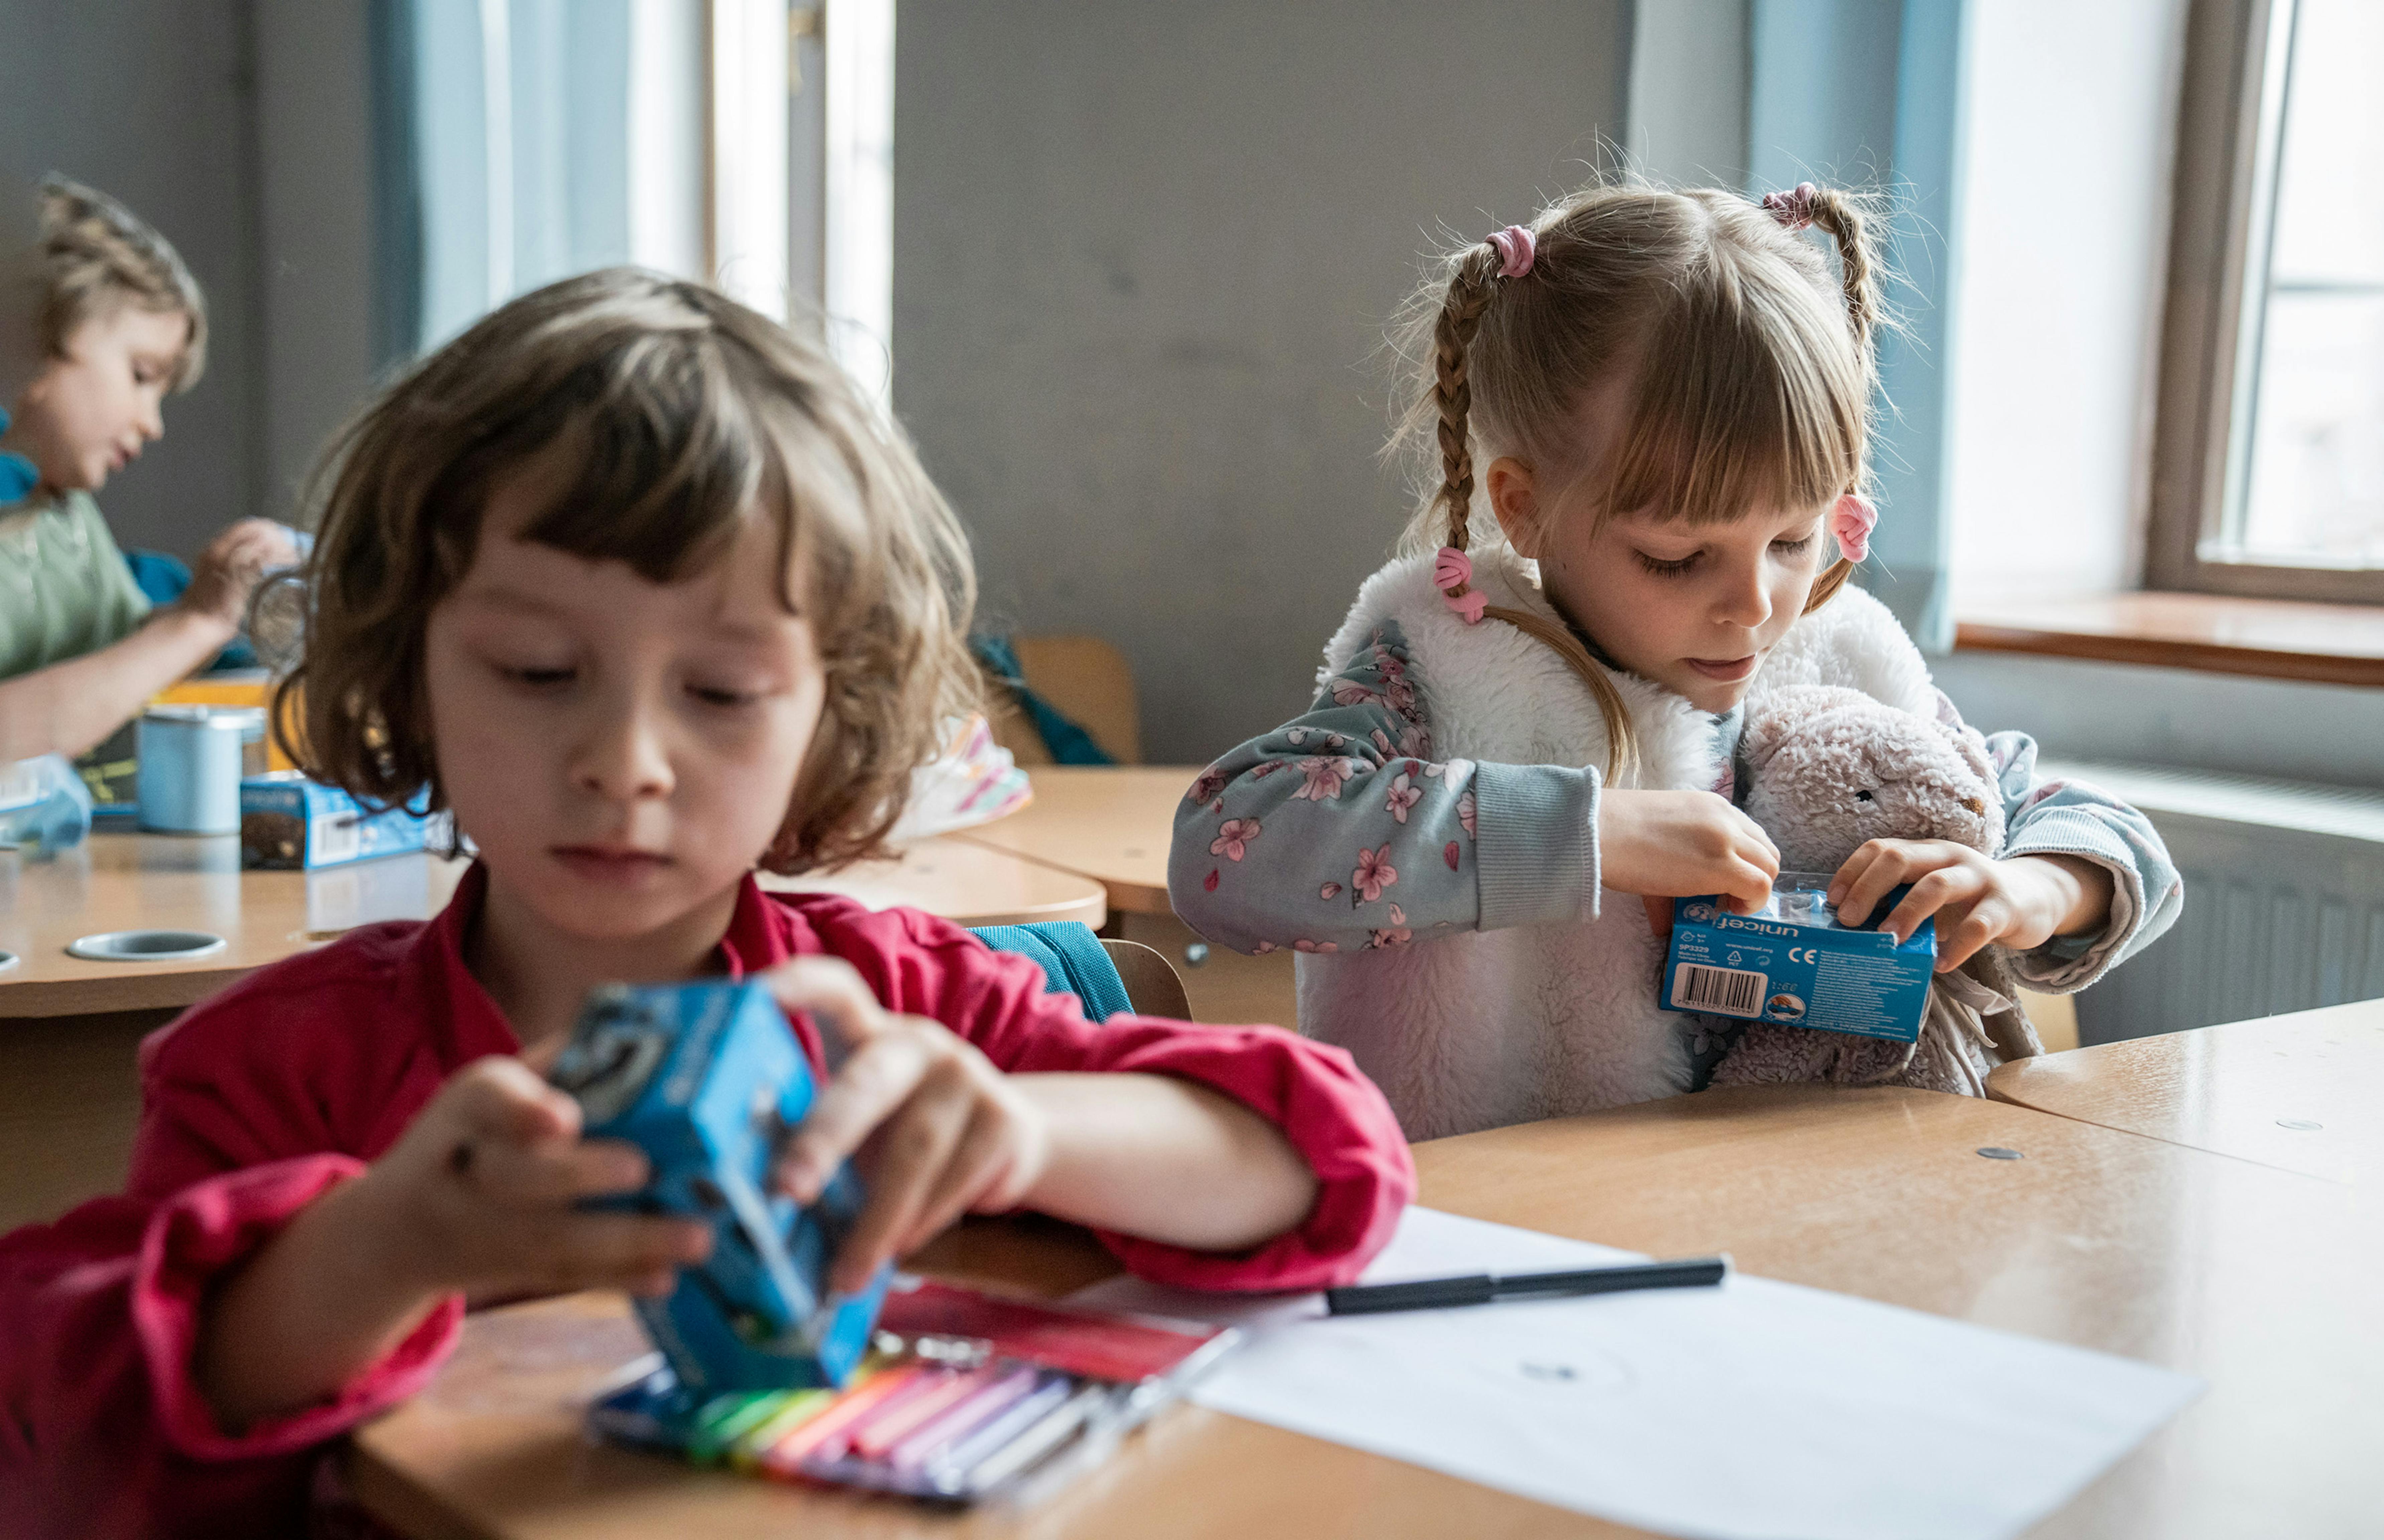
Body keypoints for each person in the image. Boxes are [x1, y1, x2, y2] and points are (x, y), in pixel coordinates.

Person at [0, 268, 1413, 1537]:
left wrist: (1017, 1130)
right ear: (407, 667)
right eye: (539, 671)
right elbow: (75, 1449)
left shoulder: (896, 1006)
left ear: (828, 713)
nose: (622, 764)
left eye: (723, 695)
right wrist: (381, 1247)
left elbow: (1330, 1165)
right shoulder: (271, 1068)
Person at [1171, 181, 2183, 1140]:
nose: (1754, 605)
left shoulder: (1839, 656)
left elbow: (2111, 838)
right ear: (1525, 507)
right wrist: (1583, 833)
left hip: (1803, 1226)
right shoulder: (1443, 665)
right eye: (1677, 556)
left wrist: (2033, 889)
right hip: (1515, 1232)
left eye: (1794, 541)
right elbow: (1227, 849)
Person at [0, 176, 295, 763]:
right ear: (36, 337)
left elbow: (115, 649)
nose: (152, 423)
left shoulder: (65, 513)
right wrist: (196, 625)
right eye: (140, 375)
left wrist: (234, 608)